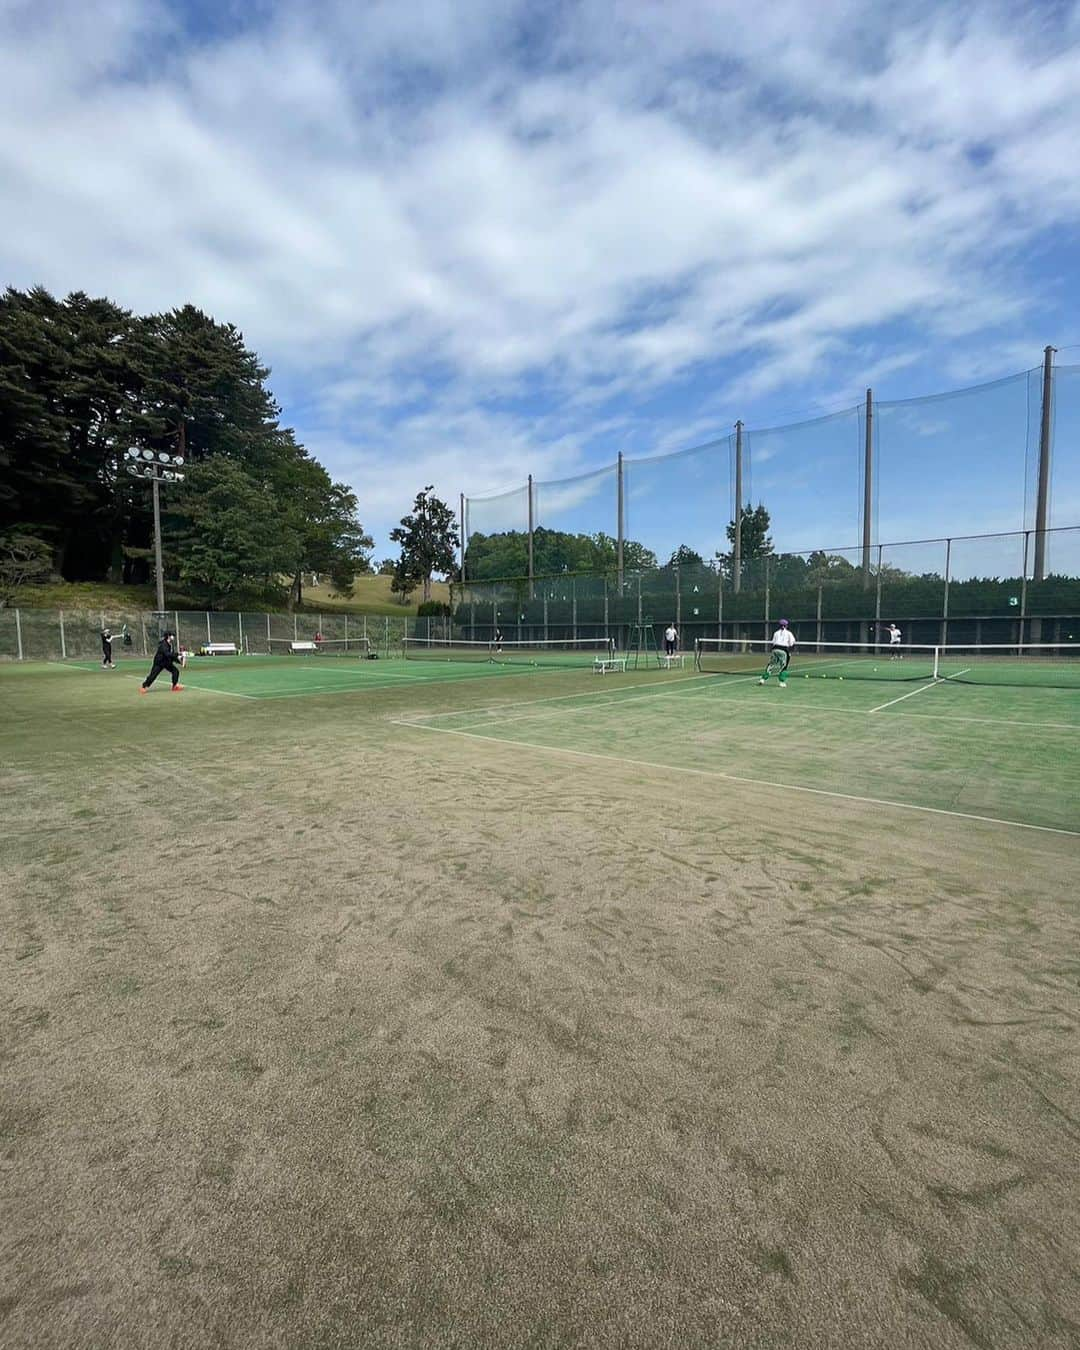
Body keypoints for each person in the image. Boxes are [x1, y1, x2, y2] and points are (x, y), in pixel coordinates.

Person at [759, 619, 796, 687]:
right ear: (786, 626)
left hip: (775, 649)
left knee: (771, 664)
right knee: (783, 666)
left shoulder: (776, 633)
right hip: (783, 650)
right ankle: (782, 682)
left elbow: (773, 642)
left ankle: (762, 679)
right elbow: (791, 643)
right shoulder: (789, 633)